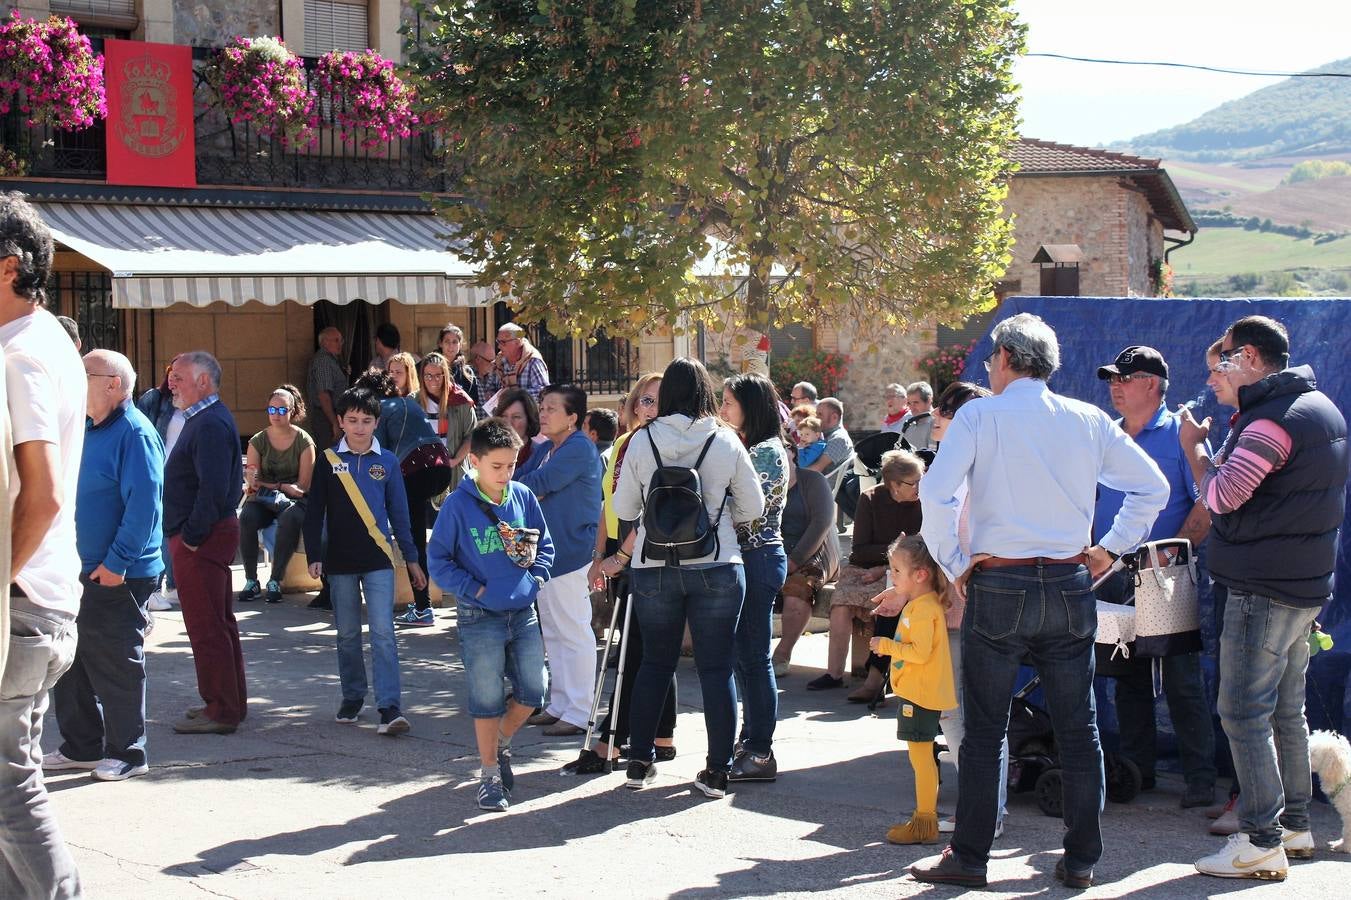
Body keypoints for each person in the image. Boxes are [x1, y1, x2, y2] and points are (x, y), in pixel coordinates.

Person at [913, 313, 1168, 890]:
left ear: (1004, 358)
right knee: (1079, 729)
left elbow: (935, 492)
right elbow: (1153, 487)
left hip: (1000, 583)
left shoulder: (980, 414)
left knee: (984, 729)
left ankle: (971, 857)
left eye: (990, 361)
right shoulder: (1086, 419)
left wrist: (956, 564)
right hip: (1067, 581)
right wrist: (1107, 550)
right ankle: (1081, 857)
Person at [1183, 316, 1348, 881]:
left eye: (1221, 361)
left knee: (1242, 710)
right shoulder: (1317, 407)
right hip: (1301, 586)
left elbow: (1223, 497)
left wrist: (1195, 452)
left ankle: (1260, 840)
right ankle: (1295, 826)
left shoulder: (1271, 420)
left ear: (1248, 357)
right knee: (1284, 708)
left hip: (1262, 587)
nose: (1213, 377)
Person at [613, 357, 764, 799]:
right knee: (717, 668)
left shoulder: (642, 440)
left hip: (654, 565)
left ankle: (639, 760)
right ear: (705, 392)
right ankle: (717, 771)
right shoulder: (725, 439)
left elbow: (624, 510)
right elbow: (753, 508)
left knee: (655, 663)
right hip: (716, 562)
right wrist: (719, 516)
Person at [0, 190, 87, 897]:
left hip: (21, 606)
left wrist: (1, 578)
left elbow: (44, 492)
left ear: (7, 269)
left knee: (8, 790)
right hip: (41, 601)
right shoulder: (45, 341)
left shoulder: (21, 353)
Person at [1092, 346, 1216, 808]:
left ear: (1151, 384)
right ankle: (1136, 771)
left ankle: (1201, 781)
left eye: (1123, 378)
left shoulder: (1180, 434)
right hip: (1112, 576)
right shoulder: (1108, 435)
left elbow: (1206, 504)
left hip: (1166, 572)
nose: (1114, 386)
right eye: (1112, 379)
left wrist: (1170, 558)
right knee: (1125, 675)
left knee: (1181, 679)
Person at [45, 349, 162, 782]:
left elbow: (144, 507)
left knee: (115, 662)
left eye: (85, 373)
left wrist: (117, 564)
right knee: (70, 663)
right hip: (76, 566)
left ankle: (128, 752)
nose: (77, 380)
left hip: (118, 572)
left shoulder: (135, 432)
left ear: (113, 383)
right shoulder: (87, 427)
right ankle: (82, 746)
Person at [427, 417, 555, 811]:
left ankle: (499, 743)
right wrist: (475, 589)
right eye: (496, 466)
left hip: (523, 611)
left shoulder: (523, 497)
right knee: (486, 700)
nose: (505, 474)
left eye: (512, 465)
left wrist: (535, 580)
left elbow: (545, 545)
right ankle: (489, 775)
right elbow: (439, 560)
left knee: (535, 691)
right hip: (479, 616)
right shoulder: (457, 505)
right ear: (476, 461)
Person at [568, 373, 678, 775]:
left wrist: (621, 557)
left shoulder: (662, 446)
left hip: (645, 551)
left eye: (656, 402)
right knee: (647, 648)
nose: (647, 409)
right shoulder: (622, 443)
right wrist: (601, 555)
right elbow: (607, 504)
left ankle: (610, 739)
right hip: (618, 547)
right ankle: (663, 734)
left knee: (633, 651)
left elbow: (650, 508)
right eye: (643, 401)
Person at [304, 387, 426, 737]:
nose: (359, 427)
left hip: (378, 558)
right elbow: (315, 512)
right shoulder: (327, 460)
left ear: (377, 423)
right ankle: (353, 696)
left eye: (367, 421)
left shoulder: (387, 461)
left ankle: (389, 707)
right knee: (346, 635)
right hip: (339, 560)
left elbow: (400, 515)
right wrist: (314, 555)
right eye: (352, 420)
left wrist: (413, 559)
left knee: (384, 633)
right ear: (340, 421)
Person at [925, 381, 1009, 841]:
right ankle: (987, 807)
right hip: (952, 608)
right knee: (961, 714)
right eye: (939, 406)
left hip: (977, 607)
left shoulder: (981, 477)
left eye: (949, 408)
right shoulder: (951, 472)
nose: (938, 414)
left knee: (968, 716)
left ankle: (984, 812)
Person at [163, 351, 247, 736]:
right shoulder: (205, 418)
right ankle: (225, 702)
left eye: (178, 377)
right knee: (216, 622)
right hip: (203, 534)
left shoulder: (209, 423)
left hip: (202, 536)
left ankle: (221, 710)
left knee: (207, 625)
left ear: (203, 381)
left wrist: (193, 537)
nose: (171, 383)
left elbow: (212, 490)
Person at [515, 384, 602, 737]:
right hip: (546, 554)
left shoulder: (579, 448)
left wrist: (518, 484)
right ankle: (560, 705)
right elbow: (523, 479)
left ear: (572, 417)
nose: (544, 413)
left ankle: (579, 712)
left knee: (573, 632)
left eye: (552, 408)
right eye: (543, 406)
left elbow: (536, 483)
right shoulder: (547, 448)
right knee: (553, 631)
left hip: (570, 552)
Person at [807, 449, 925, 700]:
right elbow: (860, 549)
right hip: (866, 566)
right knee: (841, 603)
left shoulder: (925, 502)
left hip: (900, 571)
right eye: (913, 482)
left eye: (920, 480)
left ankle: (876, 677)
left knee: (889, 600)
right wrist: (898, 550)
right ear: (894, 484)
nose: (918, 487)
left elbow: (923, 550)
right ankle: (834, 674)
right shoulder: (870, 498)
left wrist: (888, 564)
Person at [720, 373, 790, 783]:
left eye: (729, 402)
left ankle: (761, 750)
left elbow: (745, 507)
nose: (723, 410)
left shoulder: (765, 451)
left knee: (755, 656)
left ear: (752, 406)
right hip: (747, 557)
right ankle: (750, 741)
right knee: (744, 659)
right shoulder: (748, 446)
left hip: (759, 556)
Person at [869, 535, 957, 845]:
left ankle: (924, 822)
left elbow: (919, 653)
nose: (891, 577)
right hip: (918, 692)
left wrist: (887, 646)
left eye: (895, 570)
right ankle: (925, 819)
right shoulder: (921, 603)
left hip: (920, 695)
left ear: (919, 574)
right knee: (922, 759)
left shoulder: (922, 609)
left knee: (921, 760)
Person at [355, 370, 453, 625]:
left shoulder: (379, 410)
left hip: (412, 470)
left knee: (410, 538)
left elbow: (376, 457)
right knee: (416, 534)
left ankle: (422, 607)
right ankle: (423, 607)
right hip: (440, 466)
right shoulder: (410, 402)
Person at [237, 385, 316, 605]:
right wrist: (252, 481)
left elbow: (302, 487)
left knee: (290, 517)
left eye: (282, 411)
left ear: (292, 411)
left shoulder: (304, 441)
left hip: (295, 501)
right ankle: (251, 580)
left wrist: (274, 485)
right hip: (264, 498)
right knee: (247, 517)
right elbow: (253, 481)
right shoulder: (258, 440)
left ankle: (275, 579)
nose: (276, 415)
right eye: (272, 410)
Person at [770, 448, 842, 675]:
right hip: (777, 552)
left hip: (815, 554)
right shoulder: (766, 485)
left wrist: (794, 560)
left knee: (797, 589)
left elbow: (822, 522)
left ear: (791, 454)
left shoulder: (812, 481)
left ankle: (783, 653)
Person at [138, 358, 183, 612]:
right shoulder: (154, 399)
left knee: (174, 531)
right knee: (160, 531)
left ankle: (174, 586)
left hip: (180, 478)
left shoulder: (193, 405)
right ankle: (154, 588)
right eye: (171, 373)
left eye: (180, 375)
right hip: (156, 472)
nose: (173, 380)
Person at [415, 351, 476, 494]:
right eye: (428, 376)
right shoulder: (414, 402)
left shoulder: (461, 401)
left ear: (445, 376)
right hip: (424, 471)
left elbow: (472, 435)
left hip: (454, 470)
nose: (433, 380)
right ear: (422, 377)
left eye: (438, 375)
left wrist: (455, 460)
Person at [482, 322, 550, 401]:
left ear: (518, 342)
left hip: (527, 413)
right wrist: (489, 393)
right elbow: (489, 387)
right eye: (498, 342)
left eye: (503, 342)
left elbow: (543, 391)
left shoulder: (533, 361)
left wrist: (514, 395)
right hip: (502, 412)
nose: (499, 346)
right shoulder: (499, 362)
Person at [307, 327, 349, 452]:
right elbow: (324, 395)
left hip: (331, 415)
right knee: (329, 456)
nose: (340, 344)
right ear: (325, 342)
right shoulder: (323, 361)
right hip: (326, 417)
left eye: (341, 340)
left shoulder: (332, 360)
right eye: (336, 340)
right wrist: (334, 423)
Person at [495, 387, 545, 473]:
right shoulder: (488, 452)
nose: (509, 423)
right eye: (503, 416)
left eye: (516, 417)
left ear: (529, 420)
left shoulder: (541, 456)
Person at [437, 324, 481, 408]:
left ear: (460, 345)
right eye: (447, 341)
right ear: (440, 344)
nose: (451, 346)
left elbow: (474, 400)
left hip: (460, 417)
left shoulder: (467, 372)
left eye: (455, 342)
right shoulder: (432, 367)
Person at [806, 397, 851, 475]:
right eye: (815, 414)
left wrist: (792, 475)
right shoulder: (826, 436)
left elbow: (816, 468)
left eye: (820, 414)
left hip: (824, 485)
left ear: (834, 417)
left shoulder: (838, 439)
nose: (815, 418)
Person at [901, 381, 937, 451]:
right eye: (909, 403)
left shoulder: (937, 422)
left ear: (929, 400)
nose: (911, 408)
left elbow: (933, 455)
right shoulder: (908, 422)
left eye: (916, 402)